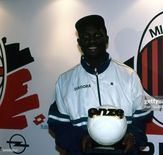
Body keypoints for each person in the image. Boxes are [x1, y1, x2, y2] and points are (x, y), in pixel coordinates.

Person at [47, 15, 152, 155]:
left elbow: (141, 117)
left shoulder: (129, 75)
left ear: (106, 39)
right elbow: (59, 124)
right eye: (86, 37)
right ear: (79, 42)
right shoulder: (65, 80)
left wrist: (133, 137)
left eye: (97, 35)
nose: (92, 41)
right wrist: (78, 139)